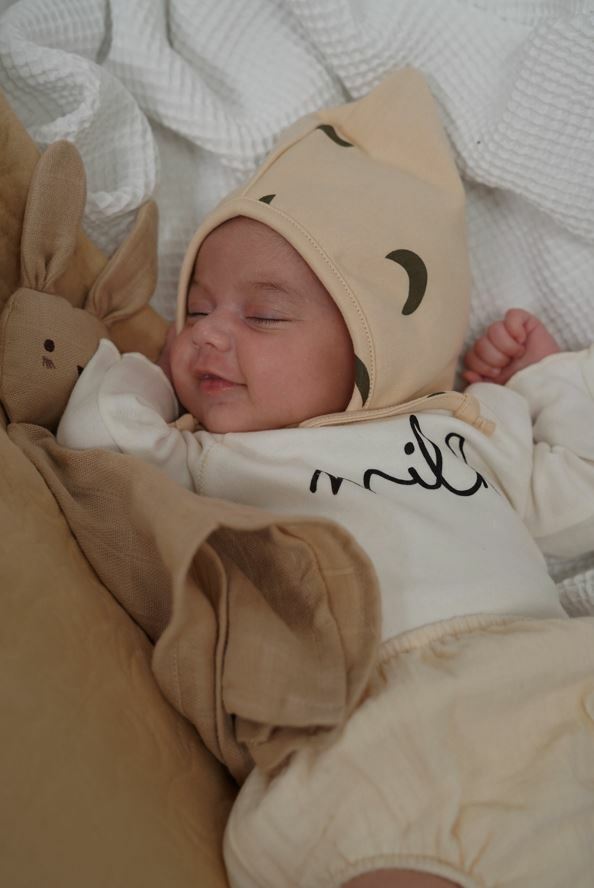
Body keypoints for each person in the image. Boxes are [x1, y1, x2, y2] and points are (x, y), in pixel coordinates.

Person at [57, 68, 594, 887]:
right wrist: (151, 376)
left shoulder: (459, 427)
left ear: (378, 341)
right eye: (195, 309)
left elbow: (579, 497)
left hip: (528, 671)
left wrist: (546, 379)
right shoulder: (206, 457)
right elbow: (97, 445)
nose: (207, 336)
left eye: (263, 314)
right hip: (356, 714)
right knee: (378, 848)